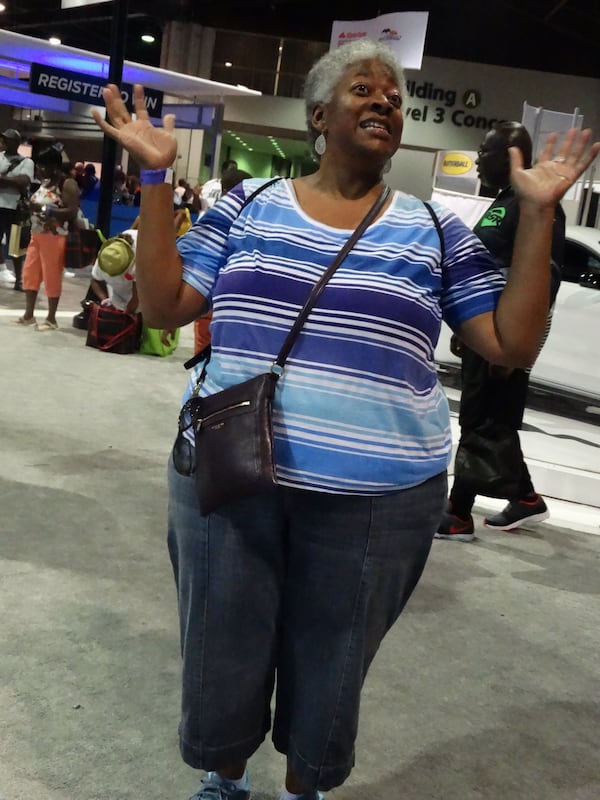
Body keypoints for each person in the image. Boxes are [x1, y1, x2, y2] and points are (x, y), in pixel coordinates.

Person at [92, 39, 599, 800]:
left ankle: (306, 790)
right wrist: (159, 175)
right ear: (320, 116)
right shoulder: (247, 206)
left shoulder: (435, 230)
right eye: (366, 90)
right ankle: (222, 781)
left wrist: (538, 215)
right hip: (234, 474)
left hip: (381, 497)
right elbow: (165, 306)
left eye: (394, 98)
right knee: (220, 644)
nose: (385, 104)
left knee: (332, 658)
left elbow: (511, 344)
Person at [435, 122, 566, 542]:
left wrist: (509, 354)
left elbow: (545, 278)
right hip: (488, 336)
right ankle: (525, 499)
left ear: (512, 154)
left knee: (483, 420)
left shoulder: (536, 206)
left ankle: (458, 512)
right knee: (490, 421)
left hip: (505, 344)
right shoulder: (505, 202)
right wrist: (470, 327)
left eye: (484, 151)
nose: (477, 159)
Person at [14, 144, 80, 331]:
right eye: (39, 166)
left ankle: (51, 318)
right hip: (37, 234)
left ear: (55, 165)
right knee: (30, 273)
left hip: (55, 237)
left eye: (44, 166)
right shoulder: (46, 182)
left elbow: (72, 211)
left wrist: (46, 209)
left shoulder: (67, 184)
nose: (40, 170)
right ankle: (29, 314)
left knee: (51, 276)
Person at [0, 127, 34, 291]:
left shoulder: (27, 162)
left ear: (16, 143)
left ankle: (19, 279)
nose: (4, 142)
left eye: (7, 139)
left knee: (16, 246)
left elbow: (23, 182)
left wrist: (3, 179)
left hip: (16, 208)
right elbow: (17, 181)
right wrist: (11, 180)